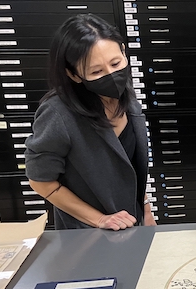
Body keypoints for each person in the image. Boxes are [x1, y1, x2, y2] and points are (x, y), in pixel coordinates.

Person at [25, 14, 156, 230]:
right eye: (96, 71)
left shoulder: (129, 101)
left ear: (123, 51)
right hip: (86, 235)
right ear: (74, 75)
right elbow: (41, 181)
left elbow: (131, 168)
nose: (111, 75)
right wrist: (100, 219)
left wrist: (146, 209)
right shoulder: (58, 114)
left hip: (131, 226)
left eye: (116, 63)